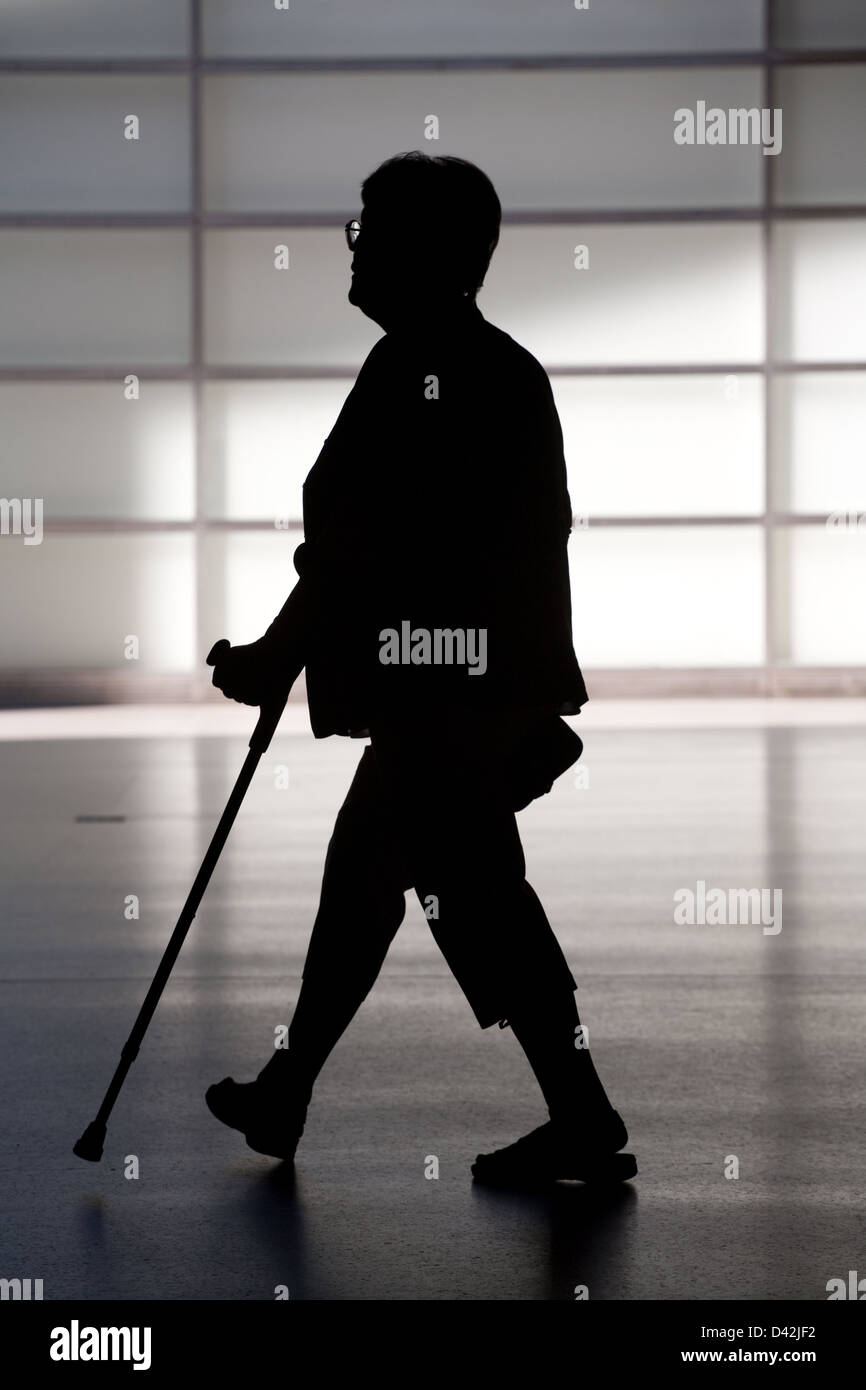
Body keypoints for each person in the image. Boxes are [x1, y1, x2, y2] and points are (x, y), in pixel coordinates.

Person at [205, 152, 635, 1187]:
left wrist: (274, 657)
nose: (353, 247)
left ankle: (575, 1112)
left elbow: (362, 551)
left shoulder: (422, 370)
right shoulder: (481, 365)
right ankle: (290, 1087)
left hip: (448, 699)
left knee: (464, 895)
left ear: (421, 250)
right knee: (389, 883)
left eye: (370, 226)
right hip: (463, 691)